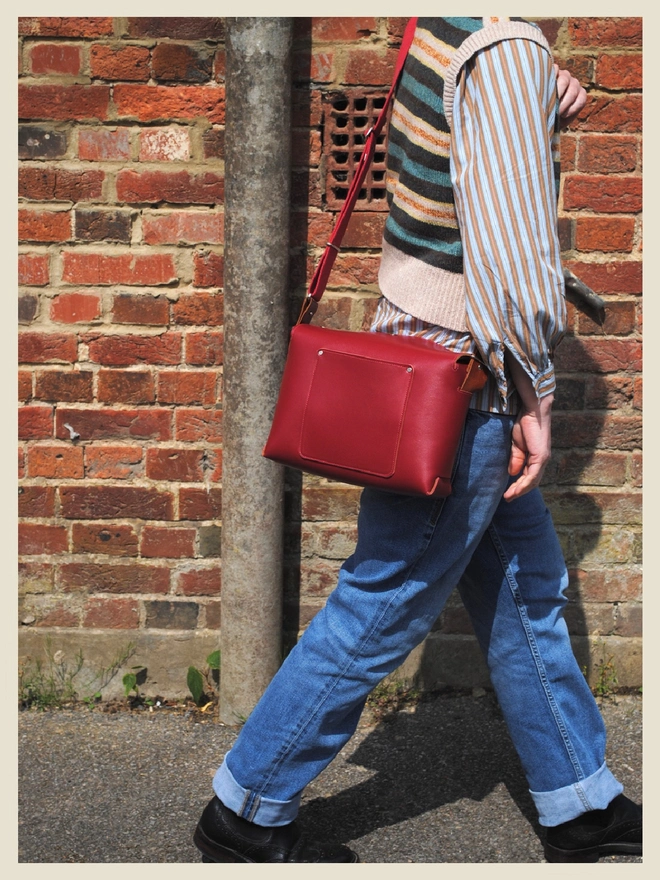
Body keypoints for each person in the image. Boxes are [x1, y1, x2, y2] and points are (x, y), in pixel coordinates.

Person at [193, 17, 642, 864]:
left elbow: (452, 173)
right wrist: (533, 392)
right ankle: (246, 808)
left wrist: (538, 99)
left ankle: (579, 800)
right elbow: (509, 255)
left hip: (429, 347)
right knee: (386, 596)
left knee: (525, 585)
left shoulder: (443, 25)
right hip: (469, 375)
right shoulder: (506, 46)